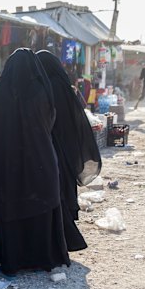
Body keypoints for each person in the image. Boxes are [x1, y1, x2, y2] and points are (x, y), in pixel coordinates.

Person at [0, 48, 70, 278]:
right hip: (40, 160)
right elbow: (51, 120)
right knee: (40, 208)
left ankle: (11, 259)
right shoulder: (41, 91)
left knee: (10, 207)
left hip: (6, 165)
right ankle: (41, 257)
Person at [37, 50, 102, 251]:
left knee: (56, 187)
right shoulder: (64, 86)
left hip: (54, 144)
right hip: (67, 144)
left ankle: (61, 233)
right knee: (64, 186)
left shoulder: (48, 87)